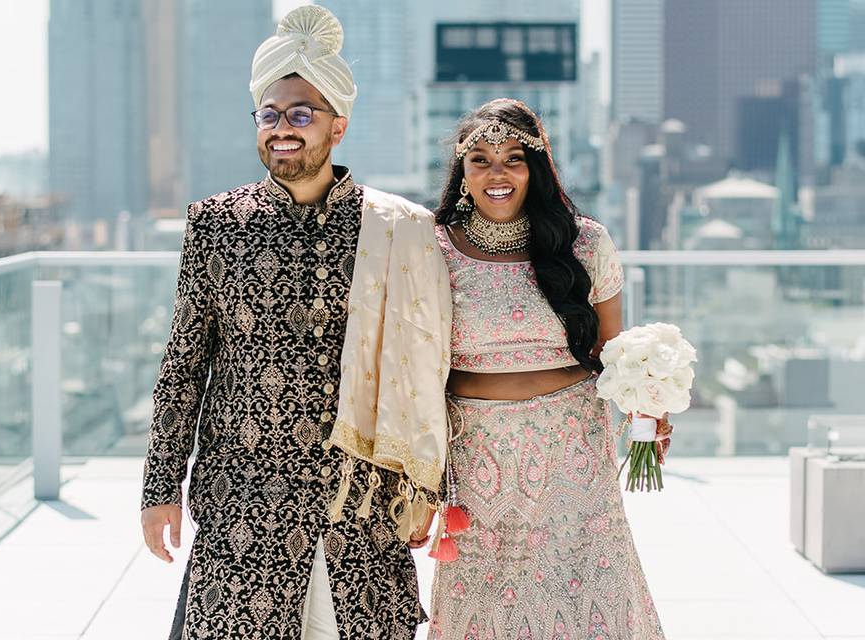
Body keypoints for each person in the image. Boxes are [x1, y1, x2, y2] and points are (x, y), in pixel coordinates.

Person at [139, 6, 451, 639]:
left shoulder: (396, 229)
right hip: (246, 502)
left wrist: (432, 484)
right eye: (270, 114)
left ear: (338, 127)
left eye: (301, 115)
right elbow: (183, 367)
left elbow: (430, 369)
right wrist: (159, 488)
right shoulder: (216, 225)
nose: (283, 129)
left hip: (360, 499)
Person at [421, 99, 668, 639]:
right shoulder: (432, 248)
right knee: (487, 599)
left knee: (583, 588)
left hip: (573, 450)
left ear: (537, 168)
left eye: (514, 158)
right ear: (461, 173)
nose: (497, 174)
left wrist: (649, 403)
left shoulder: (585, 243)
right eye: (480, 159)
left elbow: (612, 351)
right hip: (478, 452)